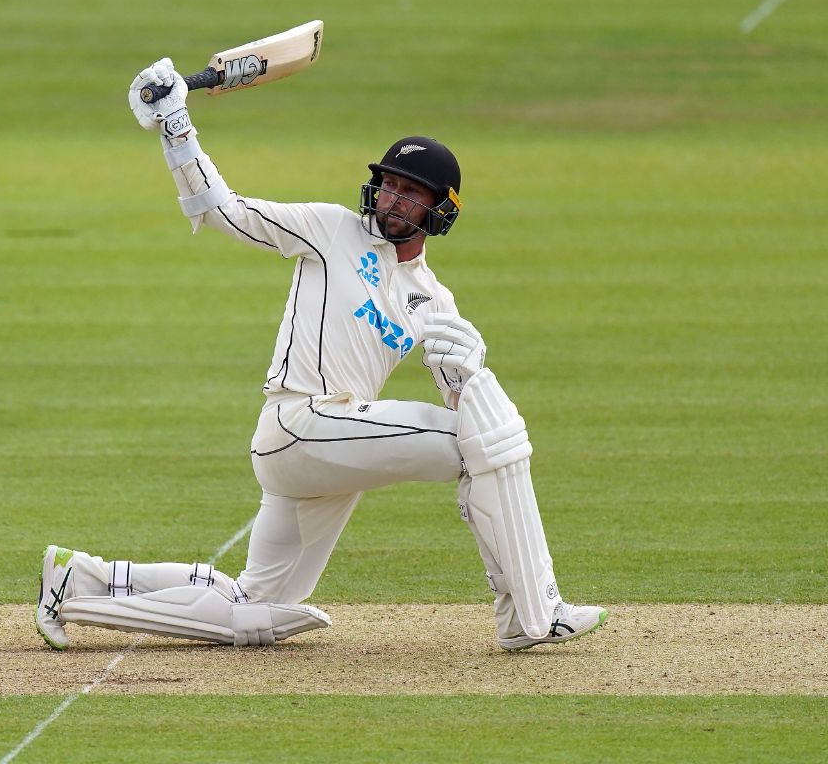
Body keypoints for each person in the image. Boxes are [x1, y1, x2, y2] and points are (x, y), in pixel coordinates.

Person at [33, 58, 607, 652]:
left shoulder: (434, 301)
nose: (392, 198)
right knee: (487, 441)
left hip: (329, 454)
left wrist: (471, 370)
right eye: (389, 184)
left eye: (410, 192)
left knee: (254, 611)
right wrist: (178, 129)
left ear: (440, 210)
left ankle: (78, 578)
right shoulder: (330, 229)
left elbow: (459, 397)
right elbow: (221, 210)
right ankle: (529, 610)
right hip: (300, 423)